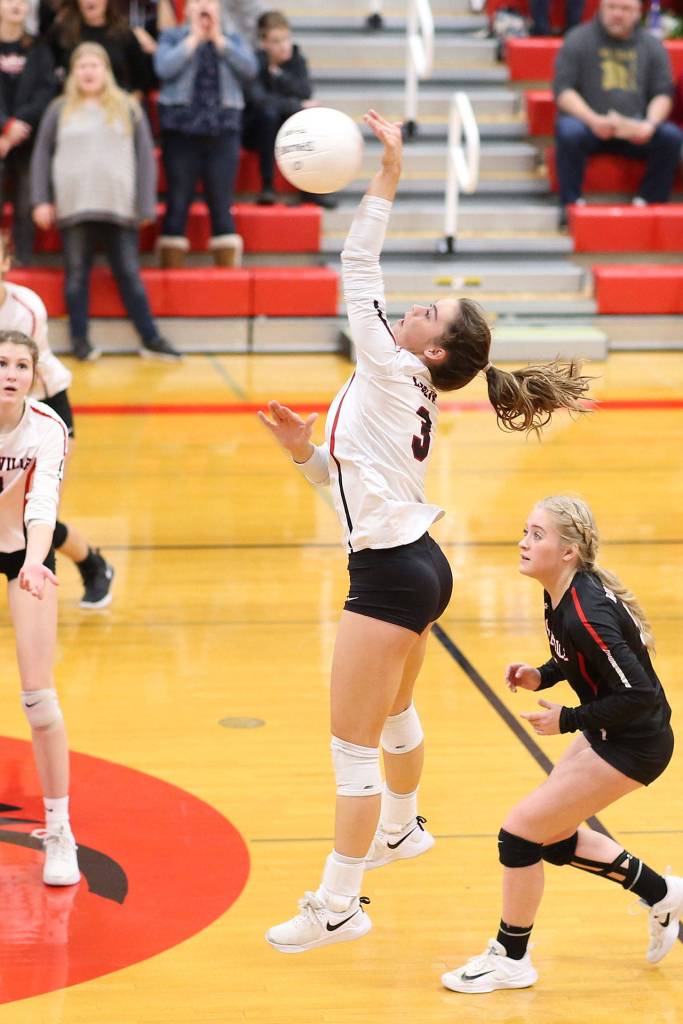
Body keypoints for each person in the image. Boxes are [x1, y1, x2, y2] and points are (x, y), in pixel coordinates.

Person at [258, 110, 592, 955]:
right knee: (395, 719)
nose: (409, 308)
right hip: (417, 564)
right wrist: (305, 453)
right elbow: (345, 488)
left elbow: (355, 260)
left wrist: (388, 171)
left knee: (350, 750)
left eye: (426, 311)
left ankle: (338, 904)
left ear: (432, 351)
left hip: (392, 572)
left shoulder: (388, 365)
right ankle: (403, 829)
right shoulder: (401, 388)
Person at [442, 495, 678, 994]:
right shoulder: (563, 594)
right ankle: (664, 895)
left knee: (520, 834)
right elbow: (581, 658)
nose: (524, 543)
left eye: (537, 535)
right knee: (546, 836)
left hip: (634, 744)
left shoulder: (583, 610)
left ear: (568, 551)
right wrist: (542, 675)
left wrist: (568, 719)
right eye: (525, 531)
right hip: (616, 732)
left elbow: (636, 693)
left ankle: (511, 957)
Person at [30, 43, 180, 361]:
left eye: (94, 65)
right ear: (73, 73)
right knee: (76, 276)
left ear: (106, 70)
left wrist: (145, 203)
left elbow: (145, 159)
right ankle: (80, 341)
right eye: (81, 66)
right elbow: (42, 156)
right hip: (74, 205)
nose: (88, 71)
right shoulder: (58, 109)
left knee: (128, 272)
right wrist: (41, 200)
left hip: (119, 205)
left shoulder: (128, 107)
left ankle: (151, 338)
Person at [0, 328, 80, 886]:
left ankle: (59, 829)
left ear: (35, 375)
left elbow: (44, 502)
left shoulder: (47, 428)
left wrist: (33, 561)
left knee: (39, 698)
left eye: (21, 366)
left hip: (23, 552)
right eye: (1, 363)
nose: (10, 374)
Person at [0, 231, 114, 606]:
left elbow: (21, 378)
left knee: (32, 511)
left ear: (6, 263)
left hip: (42, 405)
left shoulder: (26, 309)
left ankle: (93, 565)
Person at [553, 0, 683, 225]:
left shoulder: (652, 45)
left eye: (625, 9)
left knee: (670, 136)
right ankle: (571, 205)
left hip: (635, 128)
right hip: (590, 125)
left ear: (637, 13)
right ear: (600, 8)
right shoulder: (577, 39)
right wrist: (593, 120)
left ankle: (649, 203)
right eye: (612, 7)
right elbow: (563, 91)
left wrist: (650, 124)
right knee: (568, 131)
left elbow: (663, 93)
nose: (618, 14)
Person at [154, 0, 257, 268]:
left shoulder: (232, 39)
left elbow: (250, 70)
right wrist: (194, 39)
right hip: (181, 130)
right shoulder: (173, 37)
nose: (204, 7)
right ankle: (171, 266)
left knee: (221, 199)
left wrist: (219, 41)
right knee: (178, 199)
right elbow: (163, 68)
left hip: (223, 130)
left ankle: (225, 271)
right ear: (186, 9)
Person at [242, 10, 335, 208]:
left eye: (286, 39)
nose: (284, 45)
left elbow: (305, 90)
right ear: (263, 42)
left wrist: (279, 75)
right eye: (276, 41)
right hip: (256, 130)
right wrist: (296, 105)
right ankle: (267, 186)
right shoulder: (253, 62)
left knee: (307, 117)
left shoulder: (296, 59)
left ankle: (311, 188)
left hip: (286, 127)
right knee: (269, 114)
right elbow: (259, 100)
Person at [0, 0, 56, 266]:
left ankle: (21, 259)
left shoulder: (38, 47)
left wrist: (18, 124)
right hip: (3, 135)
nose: (17, 5)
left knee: (25, 201)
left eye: (23, 1)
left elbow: (47, 90)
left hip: (27, 138)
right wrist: (4, 126)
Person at [47, 0, 153, 94]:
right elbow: (49, 71)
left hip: (116, 105)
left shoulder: (124, 33)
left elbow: (141, 80)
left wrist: (129, 105)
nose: (90, 1)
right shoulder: (62, 31)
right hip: (73, 104)